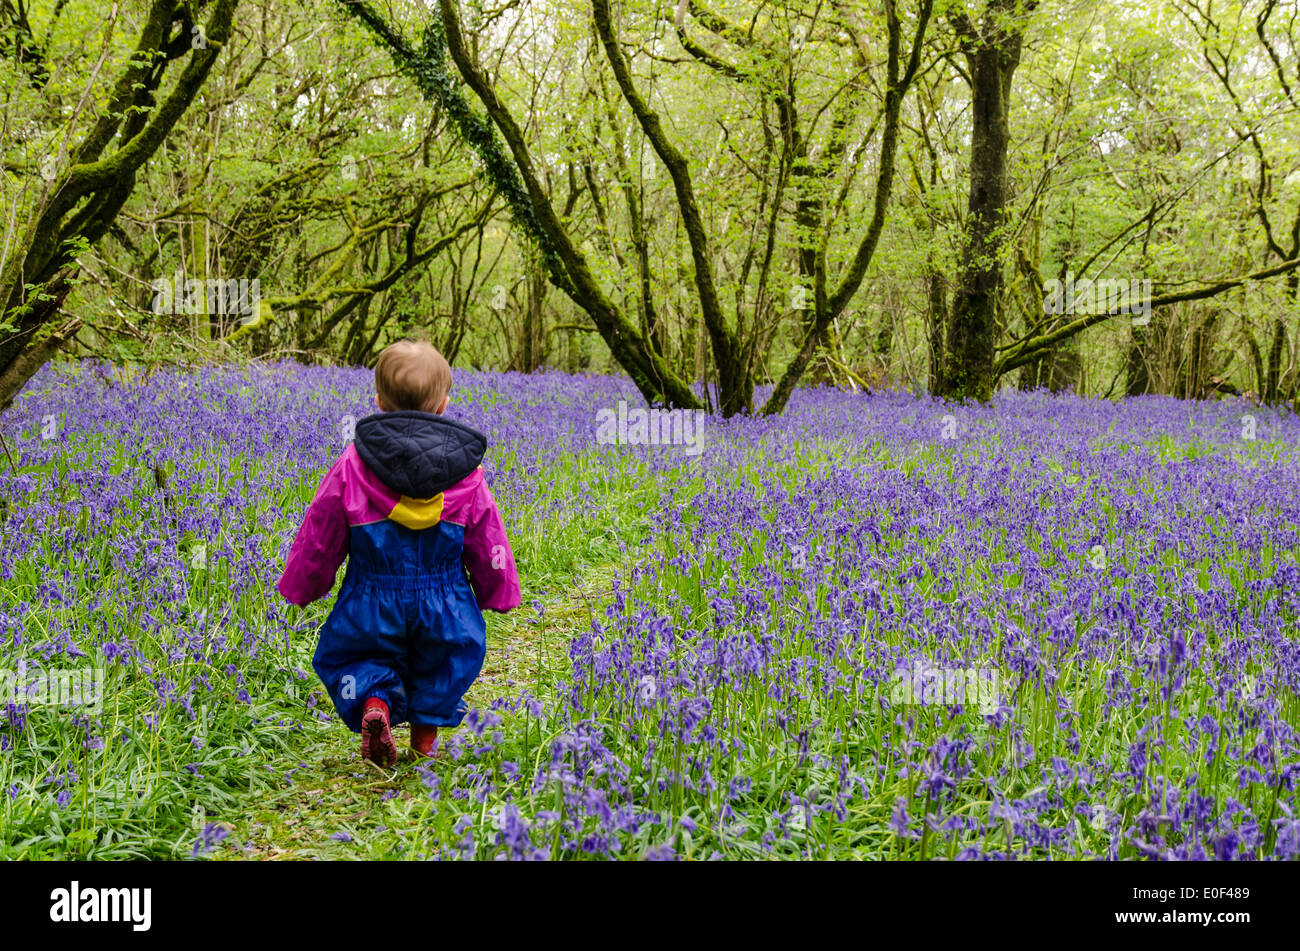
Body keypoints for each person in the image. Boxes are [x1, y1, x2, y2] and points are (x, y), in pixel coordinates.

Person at [278, 339, 520, 765]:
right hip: (444, 599)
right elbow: (488, 536)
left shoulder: (353, 464)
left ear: (378, 402)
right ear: (444, 405)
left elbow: (321, 528)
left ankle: (377, 705)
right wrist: (498, 588)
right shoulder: (467, 476)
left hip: (371, 596)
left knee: (359, 655)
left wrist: (304, 582)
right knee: (442, 661)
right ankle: (425, 744)